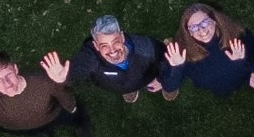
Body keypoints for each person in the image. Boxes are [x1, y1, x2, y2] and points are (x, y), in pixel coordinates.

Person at [41, 15, 169, 103]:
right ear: (96, 46)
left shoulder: (146, 48)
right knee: (127, 87)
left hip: (145, 79)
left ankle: (132, 87)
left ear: (122, 37)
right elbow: (79, 68)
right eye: (104, 46)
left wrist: (161, 79)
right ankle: (129, 89)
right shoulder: (91, 59)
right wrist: (65, 78)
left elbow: (166, 58)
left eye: (116, 42)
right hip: (117, 86)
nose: (112, 50)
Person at [159, 2, 254, 98]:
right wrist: (176, 67)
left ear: (214, 20)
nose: (201, 30)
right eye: (194, 27)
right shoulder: (185, 53)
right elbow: (169, 87)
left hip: (240, 81)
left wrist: (240, 62)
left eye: (204, 22)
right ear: (188, 32)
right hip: (217, 90)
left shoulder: (237, 34)